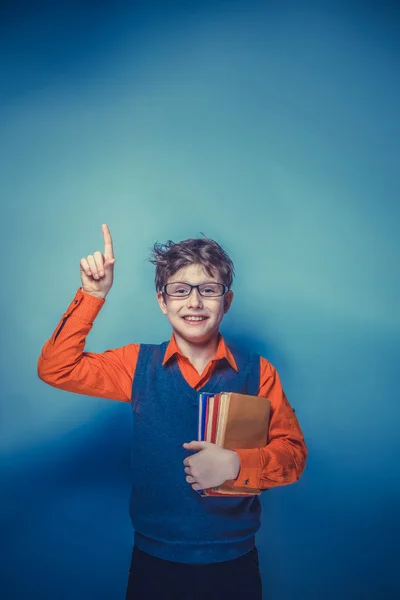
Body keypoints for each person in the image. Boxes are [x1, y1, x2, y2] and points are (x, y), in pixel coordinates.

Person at [38, 224, 307, 600]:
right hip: (154, 562)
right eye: (180, 290)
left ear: (226, 301)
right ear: (162, 302)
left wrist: (236, 465)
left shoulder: (259, 372)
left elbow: (293, 455)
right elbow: (57, 368)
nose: (194, 303)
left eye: (208, 290)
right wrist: (91, 295)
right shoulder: (136, 365)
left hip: (234, 562)